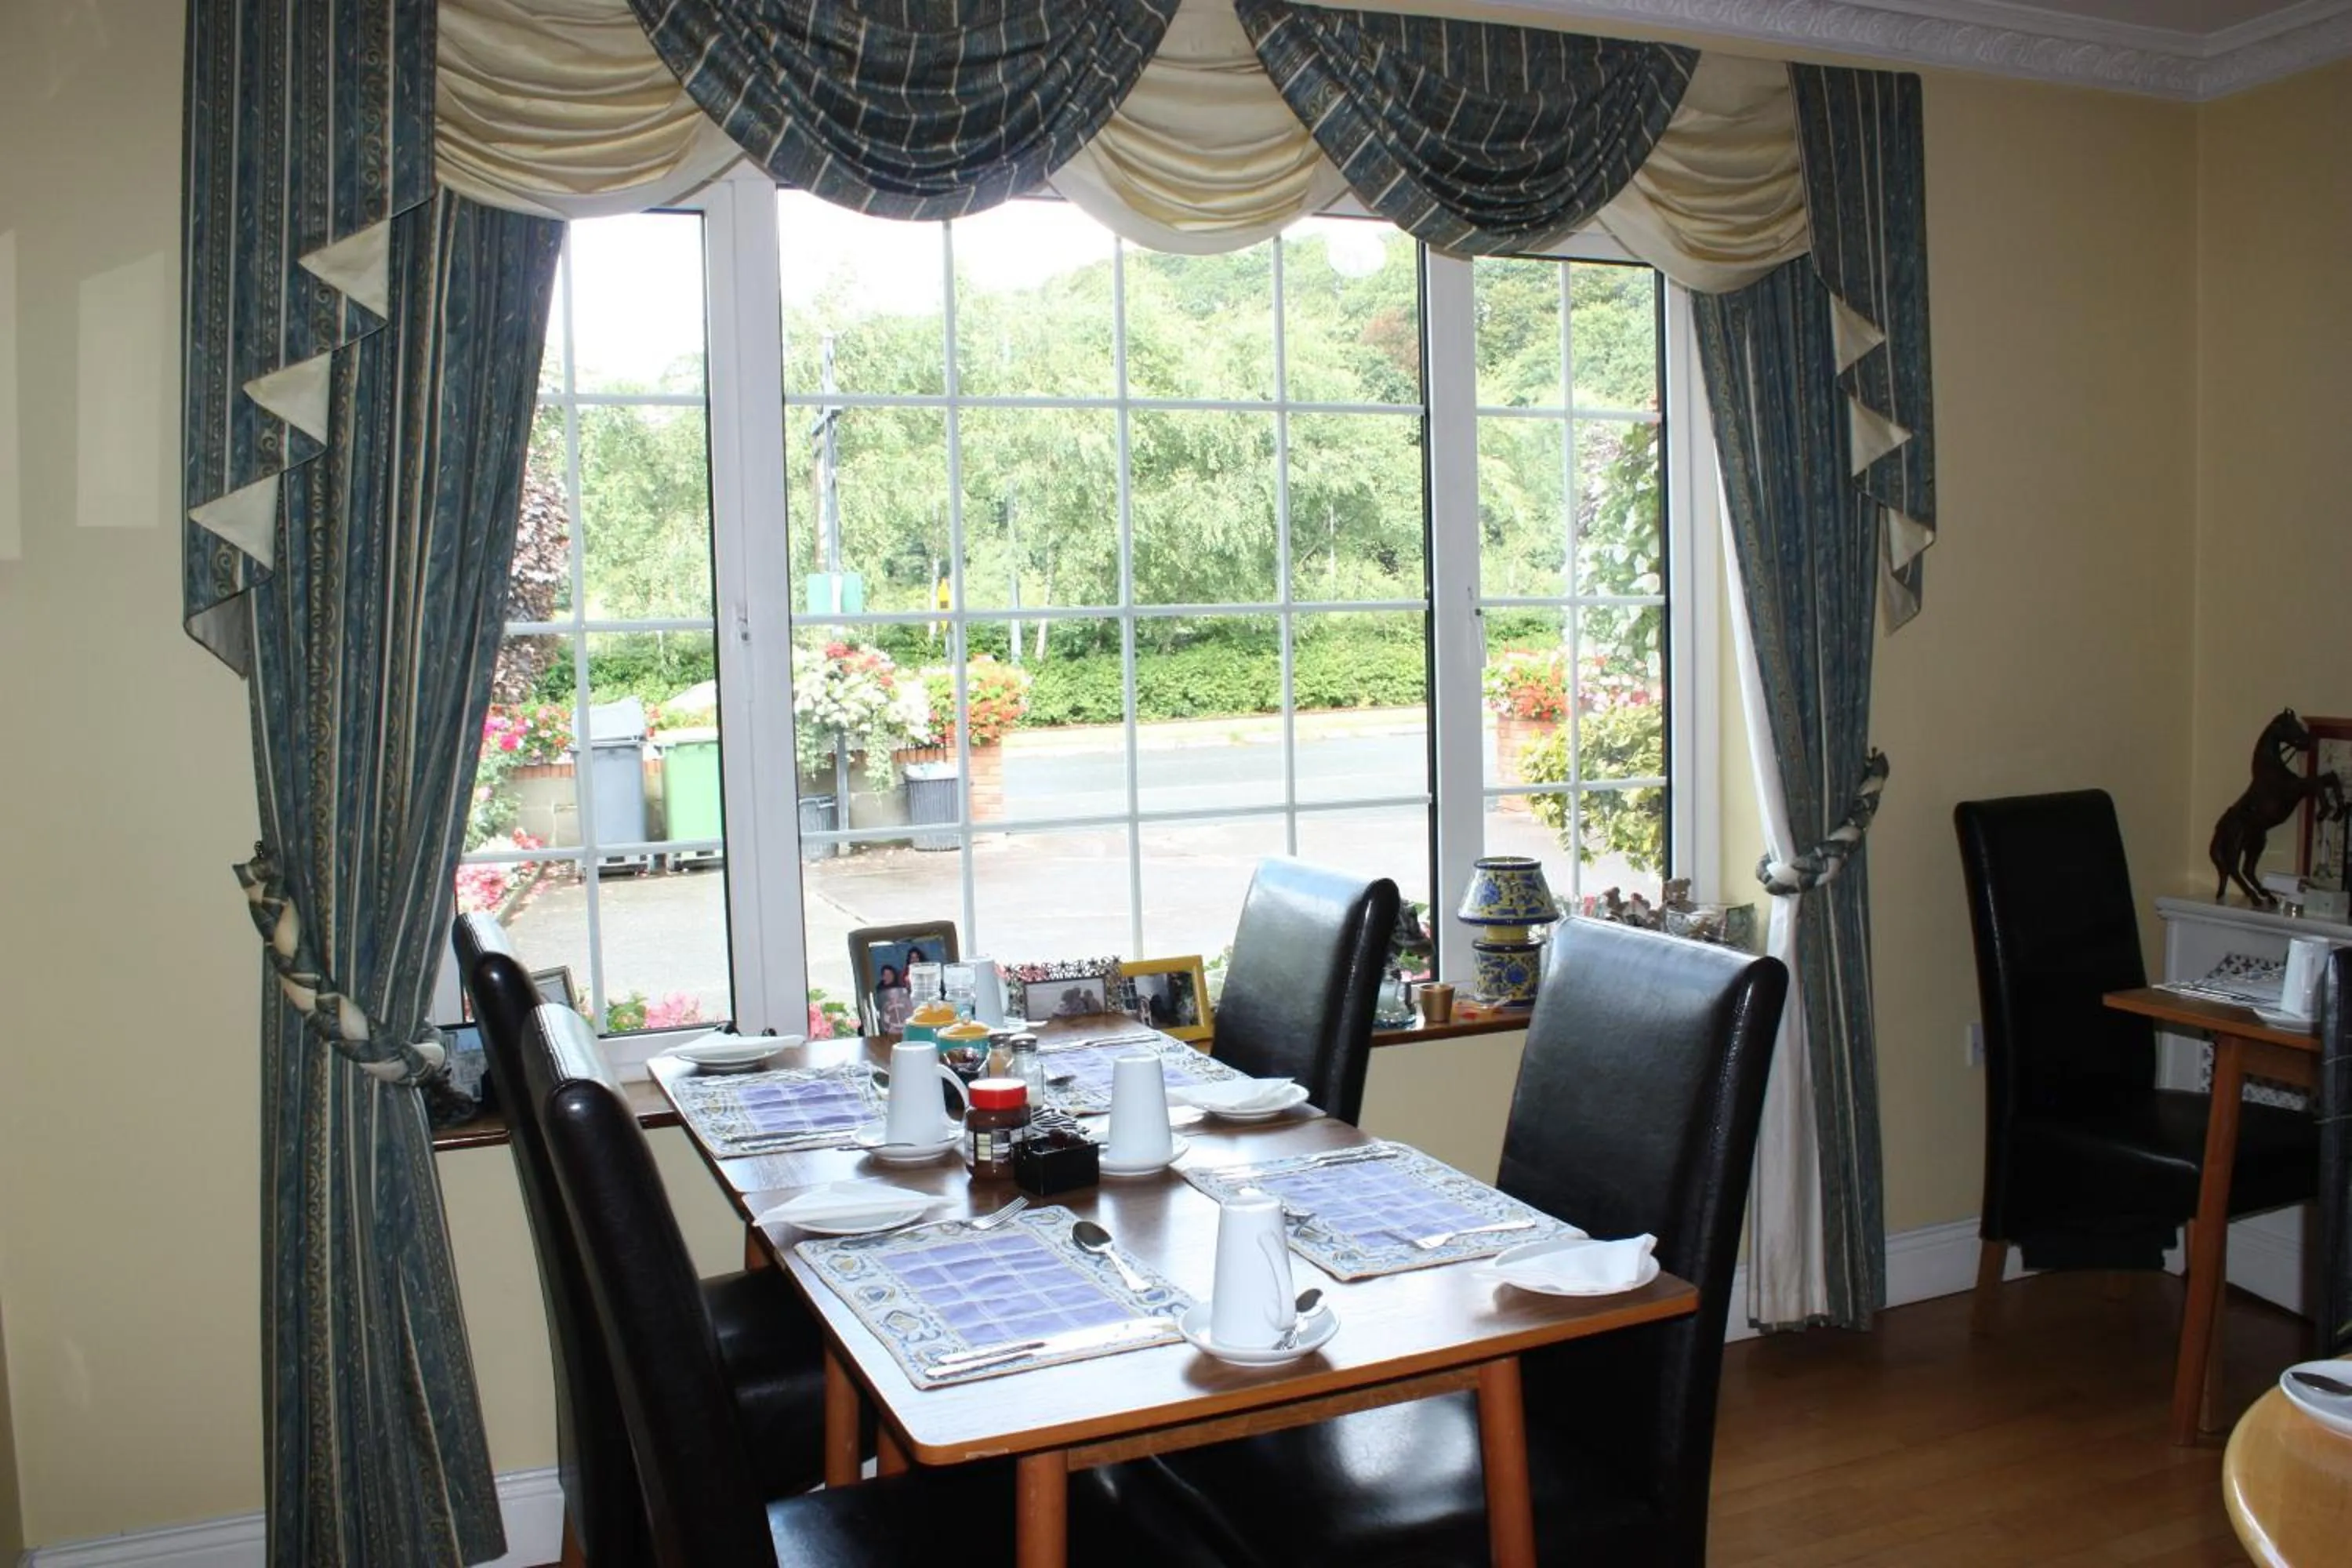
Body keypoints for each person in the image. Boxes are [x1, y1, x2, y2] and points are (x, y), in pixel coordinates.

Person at [874, 963, 913, 1033]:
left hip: (902, 1020)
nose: (888, 976)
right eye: (886, 975)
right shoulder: (879, 989)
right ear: (883, 977)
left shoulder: (900, 987)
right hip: (888, 1020)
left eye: (890, 974)